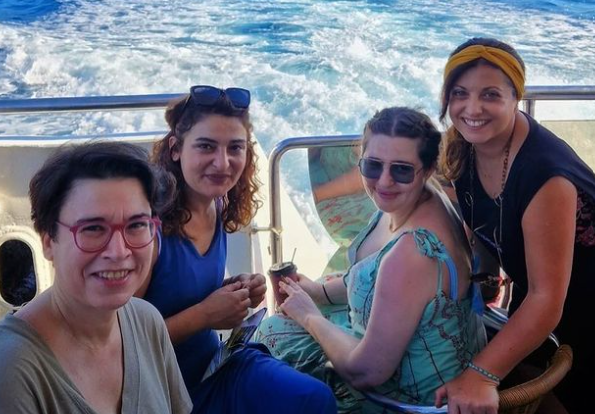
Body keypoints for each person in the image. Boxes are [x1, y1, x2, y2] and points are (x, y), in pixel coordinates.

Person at [256, 107, 486, 412]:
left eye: (401, 170)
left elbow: (367, 372)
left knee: (264, 350)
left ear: (428, 169)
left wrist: (309, 316)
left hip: (407, 401)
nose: (384, 181)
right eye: (373, 166)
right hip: (417, 363)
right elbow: (386, 281)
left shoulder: (413, 252)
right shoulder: (417, 199)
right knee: (273, 333)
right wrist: (320, 292)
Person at [137, 85, 337, 414]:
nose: (222, 163)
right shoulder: (148, 230)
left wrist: (237, 289)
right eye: (206, 146)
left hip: (216, 365)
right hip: (162, 392)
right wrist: (205, 316)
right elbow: (117, 340)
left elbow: (183, 289)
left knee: (314, 398)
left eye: (235, 148)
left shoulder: (217, 203)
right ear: (175, 149)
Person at [437, 37, 595, 414]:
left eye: (490, 94)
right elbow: (480, 219)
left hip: (583, 306)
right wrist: (483, 275)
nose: (472, 108)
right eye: (460, 93)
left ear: (515, 98)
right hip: (537, 295)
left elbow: (546, 298)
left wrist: (480, 375)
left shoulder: (545, 175)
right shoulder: (464, 146)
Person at [0, 141, 192, 414]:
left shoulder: (147, 322)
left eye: (137, 224)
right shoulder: (12, 371)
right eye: (92, 228)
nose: (119, 251)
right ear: (48, 241)